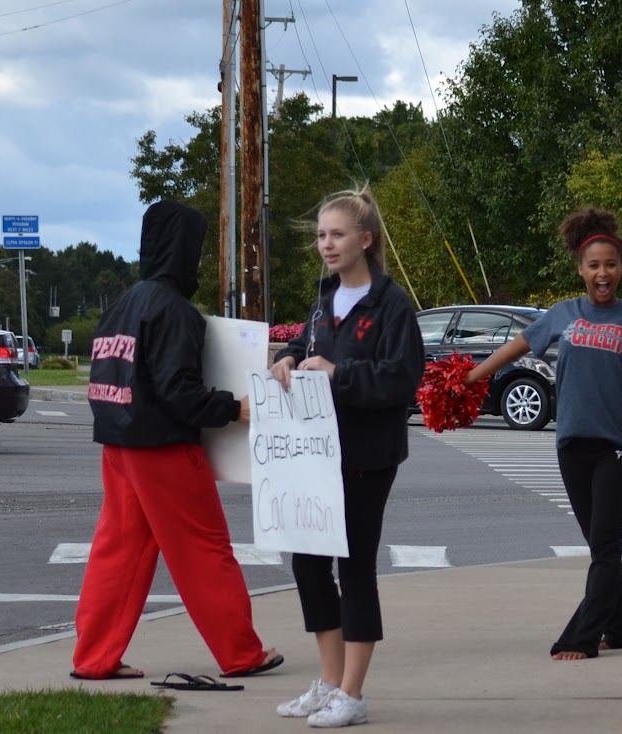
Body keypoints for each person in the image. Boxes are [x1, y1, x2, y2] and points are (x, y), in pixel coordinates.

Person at [463, 207, 622, 661]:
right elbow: (515, 348)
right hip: (570, 446)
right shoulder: (562, 314)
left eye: (611, 264)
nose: (603, 273)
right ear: (581, 270)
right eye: (594, 265)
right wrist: (467, 379)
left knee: (604, 546)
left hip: (615, 448)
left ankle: (580, 636)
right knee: (601, 546)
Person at [75, 199, 283, 680]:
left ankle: (93, 657)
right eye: (197, 248)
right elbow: (178, 392)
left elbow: (104, 382)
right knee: (204, 549)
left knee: (118, 551)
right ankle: (240, 653)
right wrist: (235, 408)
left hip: (119, 447)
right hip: (164, 449)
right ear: (184, 249)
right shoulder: (176, 312)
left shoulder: (120, 308)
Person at [270, 186, 423, 727]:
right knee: (308, 566)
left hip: (366, 456)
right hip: (314, 458)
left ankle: (352, 695)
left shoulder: (393, 305)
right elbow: (309, 345)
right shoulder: (324, 300)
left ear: (365, 239)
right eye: (320, 236)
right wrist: (288, 358)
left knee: (354, 568)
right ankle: (329, 682)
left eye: (336, 235)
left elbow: (402, 379)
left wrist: (340, 375)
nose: (326, 245)